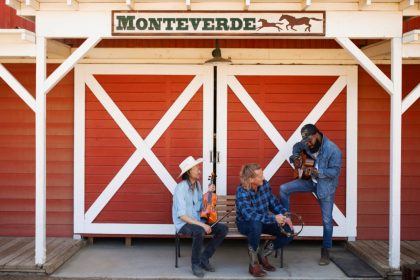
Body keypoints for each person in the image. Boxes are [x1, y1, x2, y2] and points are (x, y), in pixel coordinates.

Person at [279, 123, 342, 265]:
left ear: (316, 135)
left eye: (309, 140)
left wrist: (318, 172)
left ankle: (326, 251)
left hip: (325, 186)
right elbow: (296, 146)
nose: (307, 143)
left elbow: (335, 172)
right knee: (283, 188)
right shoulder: (306, 142)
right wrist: (295, 157)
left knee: (327, 220)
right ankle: (286, 221)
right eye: (305, 141)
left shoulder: (333, 150)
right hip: (309, 181)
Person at [172, 156, 228, 278]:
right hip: (184, 223)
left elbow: (199, 205)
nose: (199, 170)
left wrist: (208, 194)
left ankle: (204, 257)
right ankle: (195, 264)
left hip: (197, 220)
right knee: (199, 231)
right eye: (196, 168)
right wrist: (203, 224)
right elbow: (182, 216)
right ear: (189, 172)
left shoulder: (197, 185)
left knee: (223, 229)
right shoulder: (180, 189)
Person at [235, 163, 294, 277]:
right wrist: (273, 218)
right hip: (245, 224)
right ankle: (254, 263)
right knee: (255, 224)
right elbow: (249, 215)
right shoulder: (242, 191)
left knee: (288, 232)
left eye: (262, 174)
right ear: (251, 179)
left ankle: (263, 253)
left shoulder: (264, 185)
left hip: (264, 221)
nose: (263, 177)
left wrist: (285, 216)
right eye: (260, 176)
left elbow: (273, 203)